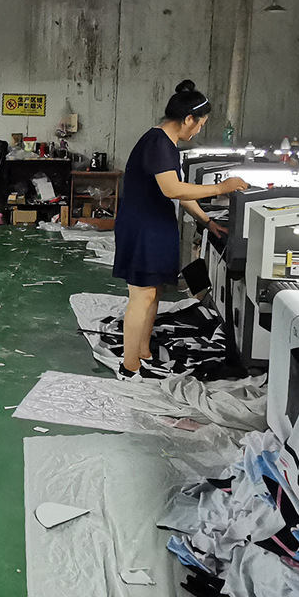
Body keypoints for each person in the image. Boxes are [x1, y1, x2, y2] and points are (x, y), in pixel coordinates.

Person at [112, 81, 246, 379]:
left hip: (155, 225)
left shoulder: (167, 143)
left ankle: (143, 353)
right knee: (142, 295)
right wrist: (221, 187)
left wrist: (207, 221)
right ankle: (129, 367)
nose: (198, 130)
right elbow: (172, 188)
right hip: (143, 227)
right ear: (188, 119)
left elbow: (180, 192)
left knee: (153, 293)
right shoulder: (159, 143)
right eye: (201, 124)